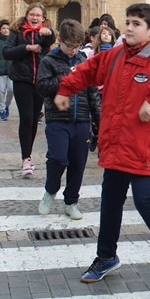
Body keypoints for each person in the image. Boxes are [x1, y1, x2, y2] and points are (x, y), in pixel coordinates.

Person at [53, 3, 150, 298]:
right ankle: (106, 256)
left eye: (136, 24)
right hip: (116, 143)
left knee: (147, 202)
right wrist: (65, 88)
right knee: (110, 200)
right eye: (128, 22)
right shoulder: (117, 54)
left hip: (144, 147)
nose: (129, 28)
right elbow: (88, 70)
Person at [36, 19, 101, 220]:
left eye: (77, 46)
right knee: (58, 158)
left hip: (81, 119)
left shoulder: (83, 60)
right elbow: (42, 87)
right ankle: (50, 191)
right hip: (58, 118)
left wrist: (99, 119)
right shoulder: (49, 60)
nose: (73, 50)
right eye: (69, 45)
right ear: (60, 41)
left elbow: (92, 92)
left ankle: (71, 201)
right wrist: (66, 78)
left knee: (78, 162)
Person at [3, 2, 56, 178]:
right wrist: (26, 48)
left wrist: (49, 33)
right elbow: (7, 52)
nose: (34, 17)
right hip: (22, 79)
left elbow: (51, 41)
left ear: (43, 18)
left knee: (34, 118)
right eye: (32, 14)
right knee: (26, 118)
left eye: (38, 15)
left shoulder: (45, 33)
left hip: (39, 81)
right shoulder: (17, 31)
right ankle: (26, 158)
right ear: (27, 15)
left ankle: (29, 153)